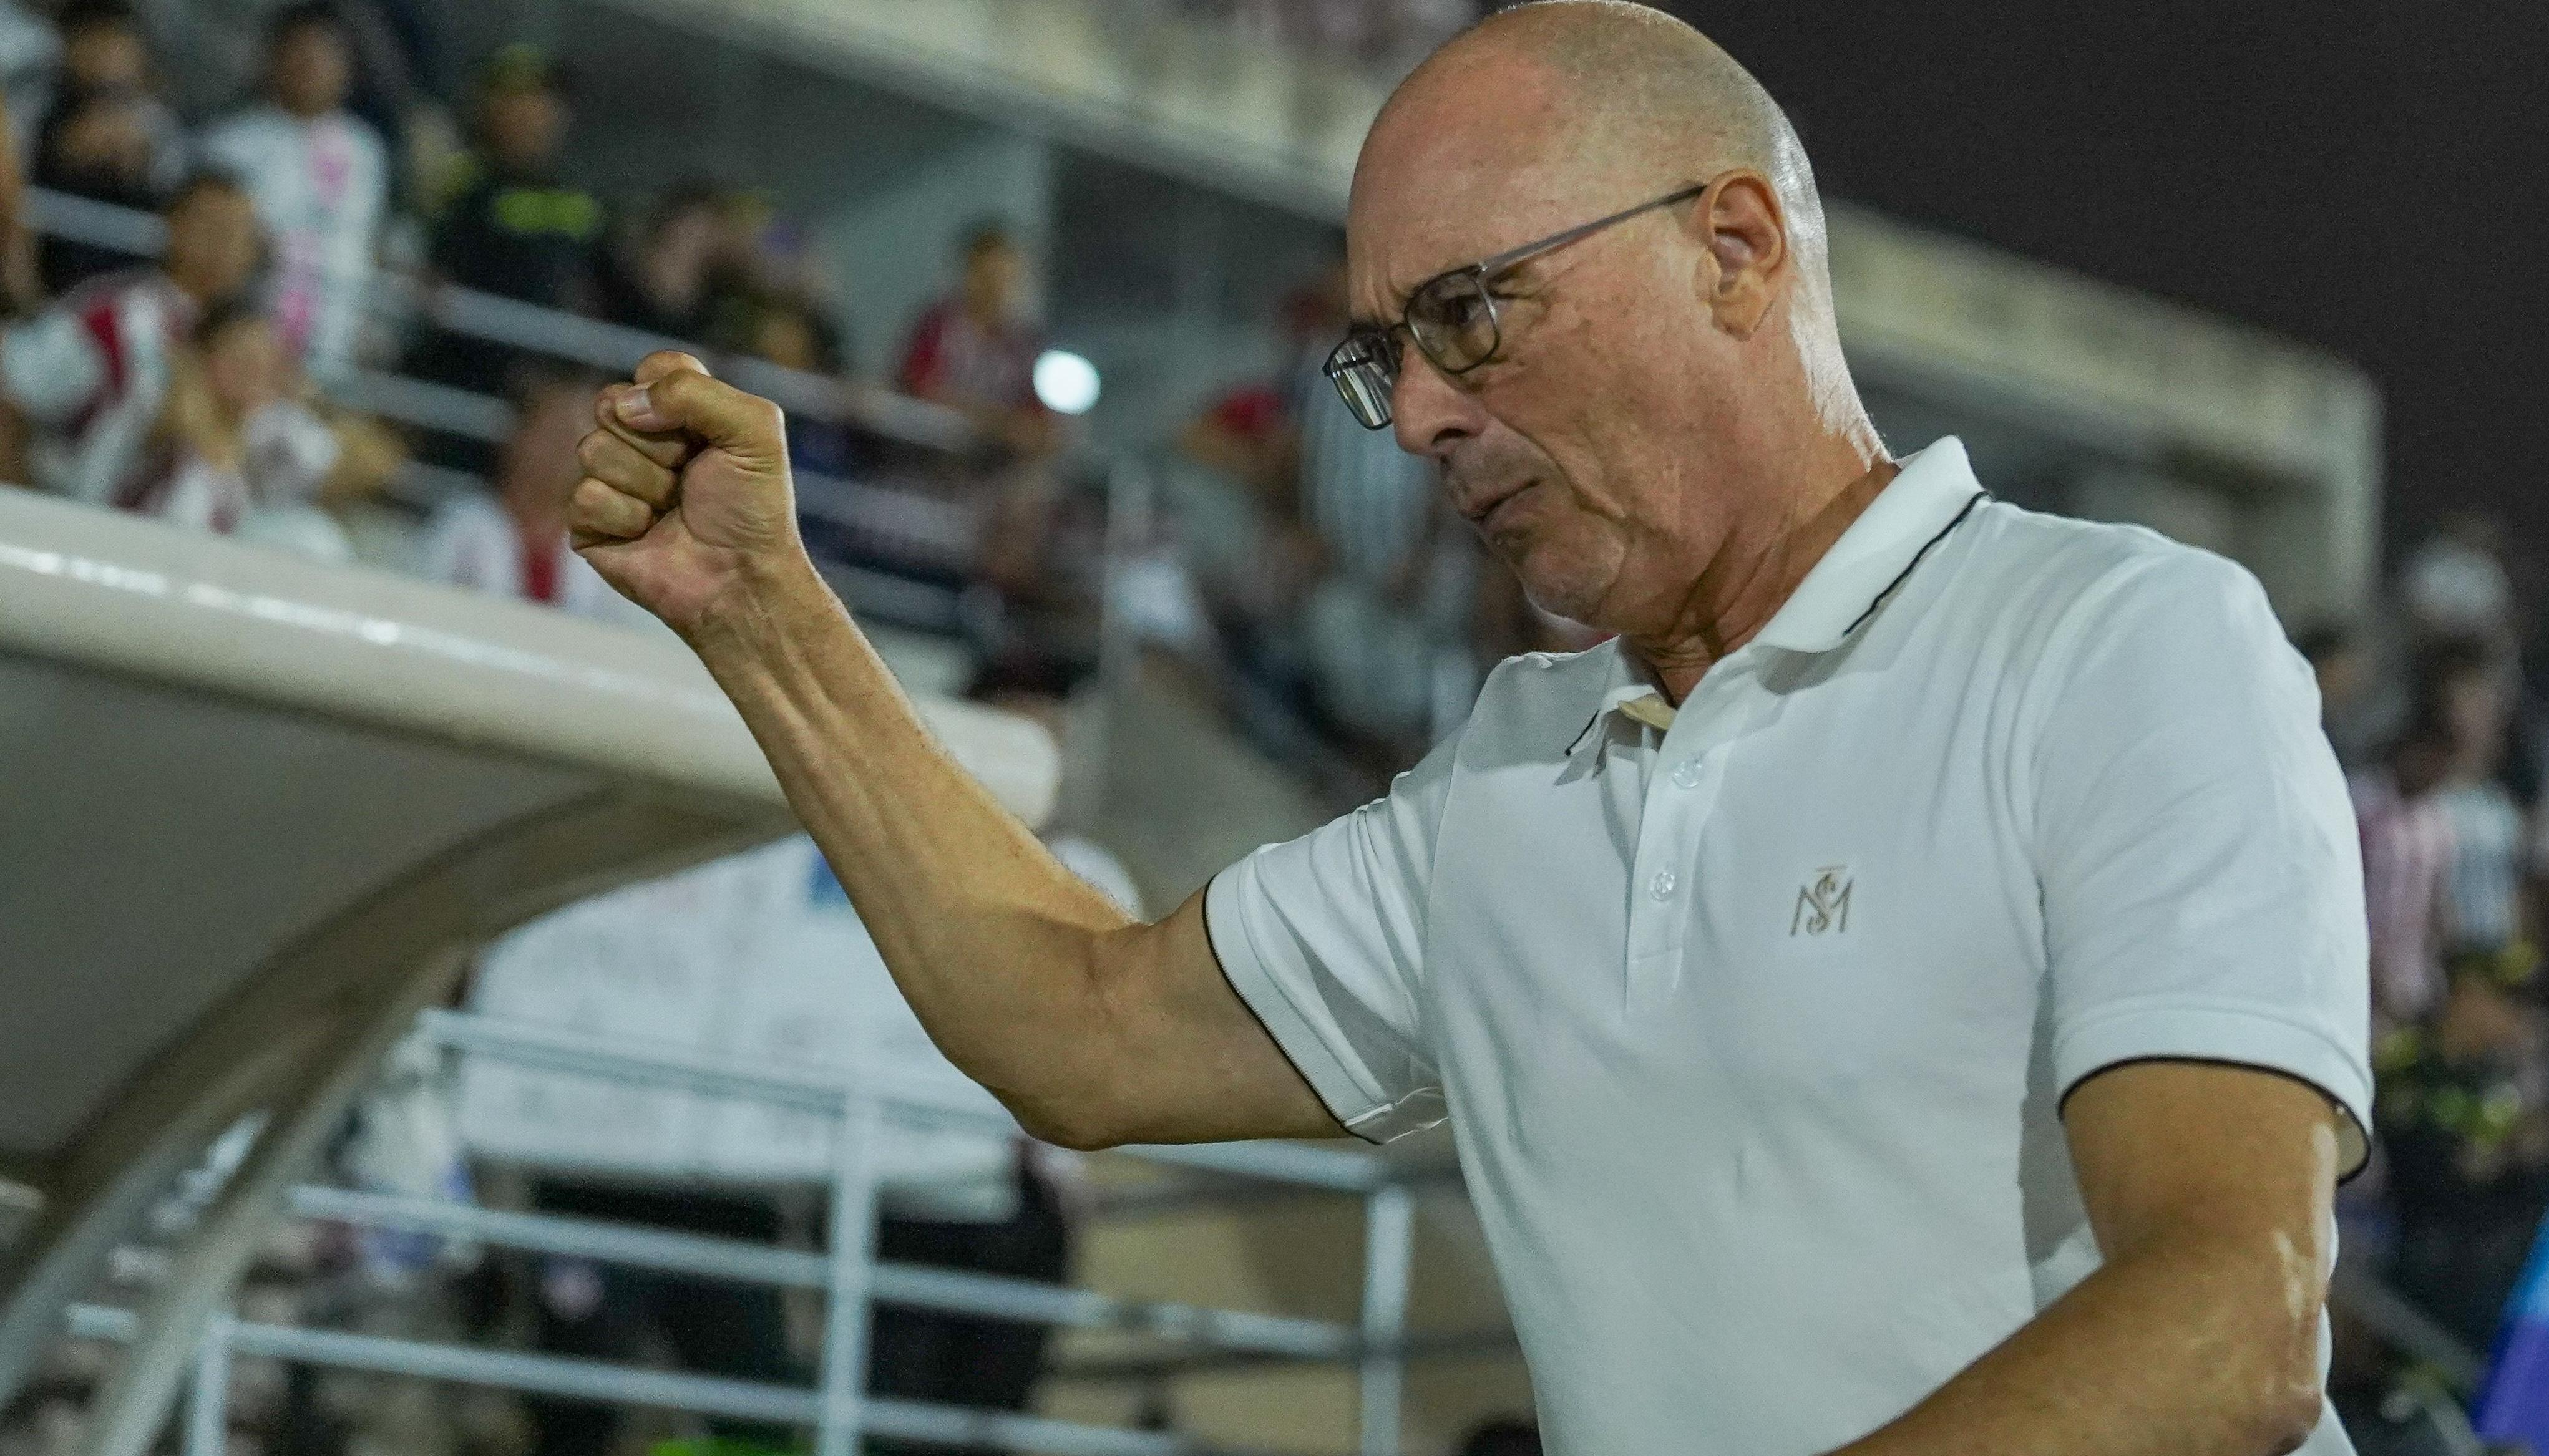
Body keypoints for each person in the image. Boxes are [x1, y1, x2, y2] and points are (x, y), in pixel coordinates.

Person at [565, 6, 2369, 1453]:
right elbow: (1078, 1027)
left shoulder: (2112, 639)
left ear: (1731, 247)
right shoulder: (1512, 773)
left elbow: (2233, 1313)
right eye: (1385, 355)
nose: (1415, 414)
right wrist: (763, 612)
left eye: (1468, 313)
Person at [0, 173, 261, 512]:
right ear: (174, 226)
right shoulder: (111, 319)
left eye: (241, 233)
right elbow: (14, 393)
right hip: (82, 523)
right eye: (214, 226)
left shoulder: (250, 349)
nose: (226, 244)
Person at [198, 2, 387, 377]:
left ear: (346, 68)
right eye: (299, 54)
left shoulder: (366, 150)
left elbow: (365, 243)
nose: (310, 68)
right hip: (245, 340)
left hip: (336, 345)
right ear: (272, 59)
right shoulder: (230, 143)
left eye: (323, 56)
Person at [417, 366, 652, 629]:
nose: (564, 452)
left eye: (580, 438)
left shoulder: (606, 549)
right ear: (519, 434)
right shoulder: (463, 526)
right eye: (555, 434)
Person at [29, 2, 185, 294]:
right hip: (53, 274)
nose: (105, 59)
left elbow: (180, 192)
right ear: (67, 51)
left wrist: (143, 160)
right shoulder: (38, 109)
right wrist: (60, 150)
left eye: (115, 45)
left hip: (138, 283)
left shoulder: (159, 122)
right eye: (92, 44)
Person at [895, 222, 1056, 463]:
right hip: (926, 457)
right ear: (969, 274)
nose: (997, 289)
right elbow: (923, 391)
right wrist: (998, 423)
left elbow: (1041, 425)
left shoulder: (1025, 346)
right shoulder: (939, 327)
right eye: (988, 277)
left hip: (993, 468)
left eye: (1007, 278)